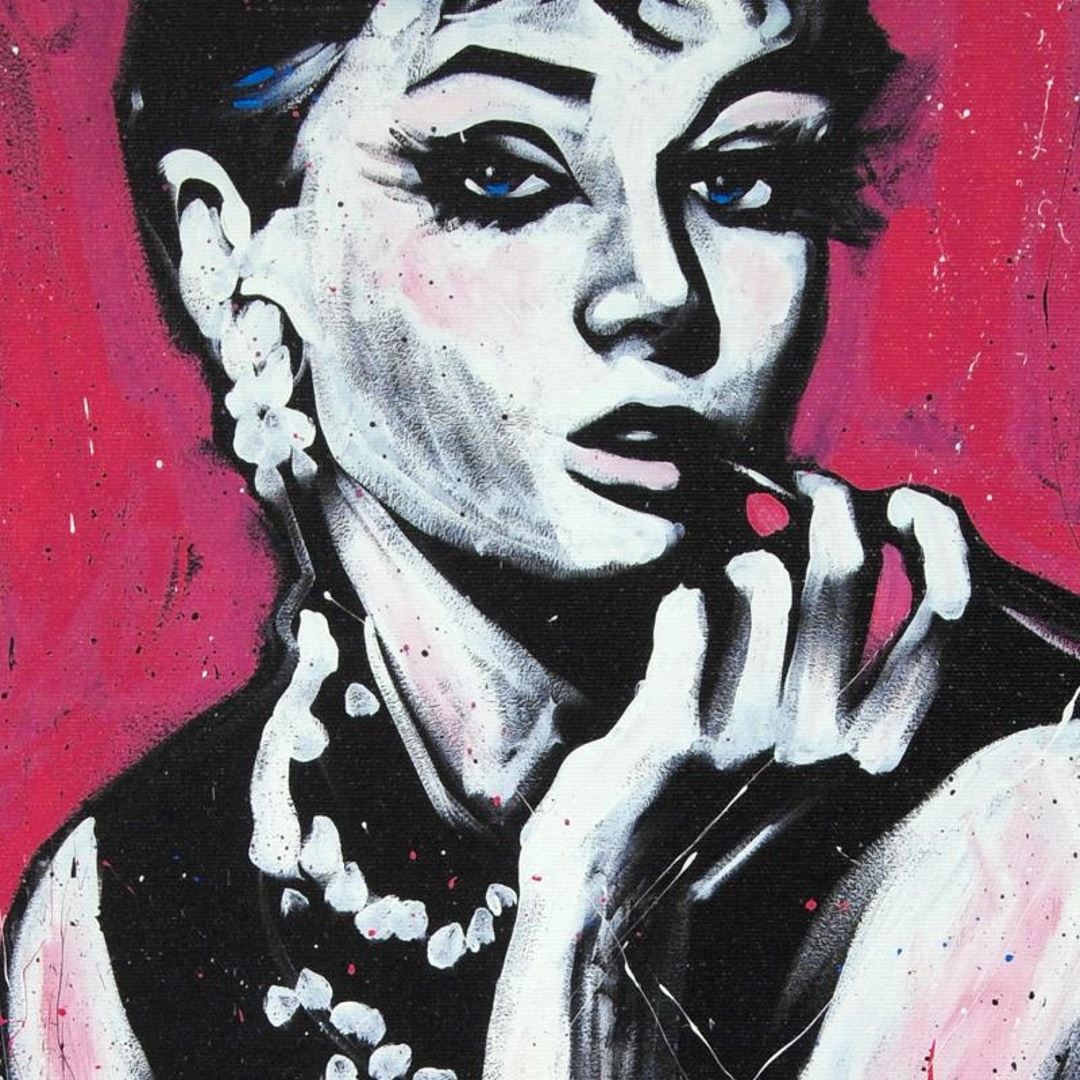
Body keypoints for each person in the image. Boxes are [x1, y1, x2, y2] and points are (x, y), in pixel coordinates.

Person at [5, 1, 1080, 1077]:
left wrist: (604, 944)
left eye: (742, 179)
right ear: (223, 252)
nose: (659, 290)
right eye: (501, 177)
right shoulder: (117, 914)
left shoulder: (1029, 826)